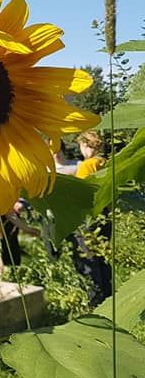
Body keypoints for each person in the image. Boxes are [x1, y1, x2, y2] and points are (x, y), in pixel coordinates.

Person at [68, 130, 111, 305]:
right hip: (105, 215)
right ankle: (108, 294)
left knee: (88, 257)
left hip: (89, 217)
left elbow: (81, 193)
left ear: (85, 145)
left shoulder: (86, 166)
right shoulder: (105, 163)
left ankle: (95, 298)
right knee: (102, 256)